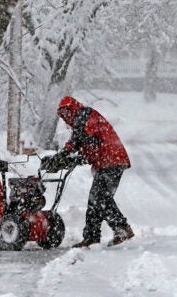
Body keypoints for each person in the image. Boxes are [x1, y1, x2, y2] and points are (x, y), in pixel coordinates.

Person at [40, 96, 135, 248]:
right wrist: (63, 157)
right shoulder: (80, 122)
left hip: (112, 160)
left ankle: (121, 229)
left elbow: (85, 140)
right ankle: (93, 236)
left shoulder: (85, 115)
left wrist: (66, 157)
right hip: (106, 161)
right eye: (63, 115)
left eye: (67, 113)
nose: (66, 118)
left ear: (73, 108)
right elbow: (78, 142)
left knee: (100, 198)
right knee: (96, 200)